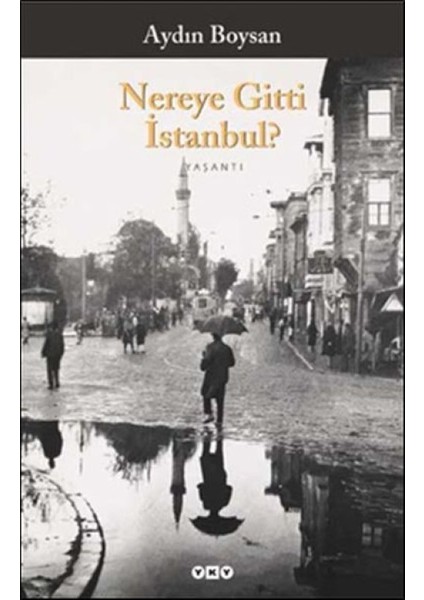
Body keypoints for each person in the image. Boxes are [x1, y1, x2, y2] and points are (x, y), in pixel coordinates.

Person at [200, 333, 235, 426]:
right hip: (222, 376)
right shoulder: (227, 348)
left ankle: (209, 413)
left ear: (212, 336)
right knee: (220, 399)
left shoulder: (210, 347)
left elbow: (204, 365)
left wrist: (204, 357)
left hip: (211, 376)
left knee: (205, 393)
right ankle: (219, 420)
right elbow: (232, 363)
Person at [41, 322, 65, 390]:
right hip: (57, 355)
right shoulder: (60, 335)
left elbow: (46, 344)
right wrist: (61, 354)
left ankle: (51, 384)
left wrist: (43, 353)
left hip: (50, 355)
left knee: (50, 369)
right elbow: (62, 346)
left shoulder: (49, 335)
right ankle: (57, 382)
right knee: (56, 369)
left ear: (51, 328)